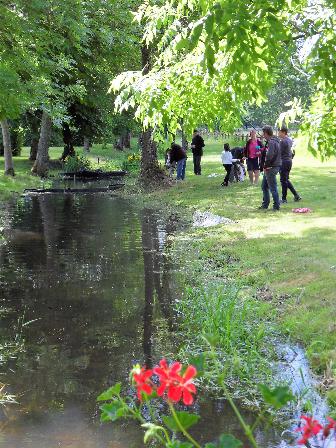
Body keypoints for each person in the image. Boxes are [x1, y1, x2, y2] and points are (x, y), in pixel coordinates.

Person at [259, 126, 281, 210]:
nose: (262, 135)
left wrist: (265, 166)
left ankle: (276, 206)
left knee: (273, 187)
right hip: (273, 166)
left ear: (266, 133)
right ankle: (265, 204)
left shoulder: (272, 142)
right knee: (264, 186)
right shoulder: (274, 141)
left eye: (263, 133)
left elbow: (270, 155)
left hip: (271, 168)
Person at [279, 126, 301, 203]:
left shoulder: (283, 141)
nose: (279, 134)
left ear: (284, 132)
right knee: (286, 180)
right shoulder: (289, 140)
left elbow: (278, 152)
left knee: (283, 180)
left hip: (283, 162)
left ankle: (284, 199)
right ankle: (296, 195)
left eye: (280, 132)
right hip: (289, 161)